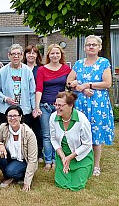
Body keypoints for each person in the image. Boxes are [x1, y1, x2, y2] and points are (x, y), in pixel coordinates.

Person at [67, 35, 115, 177]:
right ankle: (81, 160)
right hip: (81, 103)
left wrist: (89, 85)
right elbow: (69, 81)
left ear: (99, 47)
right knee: (80, 132)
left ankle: (96, 165)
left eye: (94, 45)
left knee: (96, 133)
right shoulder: (79, 64)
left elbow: (107, 83)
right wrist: (79, 87)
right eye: (88, 45)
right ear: (84, 47)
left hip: (98, 103)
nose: (91, 47)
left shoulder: (104, 63)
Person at [33, 44, 71, 170]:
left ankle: (56, 159)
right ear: (48, 55)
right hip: (45, 106)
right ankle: (48, 160)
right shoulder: (42, 70)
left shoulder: (66, 69)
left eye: (57, 53)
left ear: (61, 55)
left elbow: (70, 86)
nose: (55, 56)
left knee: (59, 134)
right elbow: (39, 89)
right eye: (52, 53)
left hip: (60, 107)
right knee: (47, 135)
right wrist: (37, 106)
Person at [50, 91, 94, 191]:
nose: (56, 107)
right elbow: (53, 138)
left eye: (60, 105)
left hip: (81, 157)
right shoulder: (53, 117)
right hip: (63, 155)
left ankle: (85, 168)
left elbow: (87, 144)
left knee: (77, 186)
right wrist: (62, 157)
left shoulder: (82, 120)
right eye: (55, 104)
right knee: (61, 184)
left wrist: (70, 158)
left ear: (70, 105)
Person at [0, 105, 38, 191]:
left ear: (20, 117)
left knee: (11, 171)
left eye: (15, 116)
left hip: (24, 160)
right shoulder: (3, 127)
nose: (12, 118)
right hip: (10, 157)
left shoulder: (28, 133)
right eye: (10, 116)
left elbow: (33, 159)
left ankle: (19, 175)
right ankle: (8, 177)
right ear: (6, 117)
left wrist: (27, 181)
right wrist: (0, 145)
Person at [0, 44, 36, 126]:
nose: (16, 56)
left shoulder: (27, 71)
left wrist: (34, 108)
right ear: (9, 56)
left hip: (24, 110)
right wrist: (5, 99)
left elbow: (32, 92)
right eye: (13, 54)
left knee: (24, 135)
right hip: (7, 110)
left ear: (22, 55)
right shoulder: (3, 71)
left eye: (18, 54)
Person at [23, 45, 44, 162]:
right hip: (24, 104)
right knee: (26, 129)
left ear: (37, 55)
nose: (31, 55)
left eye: (33, 53)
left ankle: (39, 153)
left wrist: (36, 106)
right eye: (28, 52)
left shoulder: (40, 69)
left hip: (37, 103)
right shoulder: (21, 68)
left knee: (38, 130)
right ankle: (27, 152)